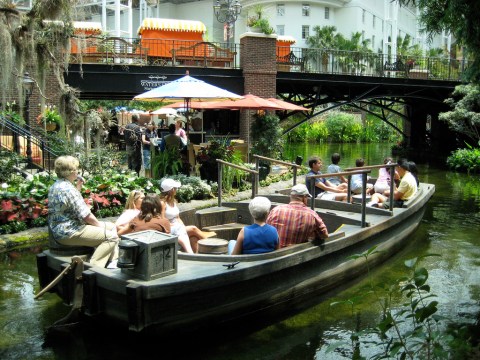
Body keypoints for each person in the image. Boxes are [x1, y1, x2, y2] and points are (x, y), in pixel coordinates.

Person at [48, 156, 119, 268]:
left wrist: (78, 187)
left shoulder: (56, 186)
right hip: (70, 231)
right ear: (71, 172)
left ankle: (112, 262)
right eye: (76, 169)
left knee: (112, 226)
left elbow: (68, 204)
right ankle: (94, 268)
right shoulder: (69, 189)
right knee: (111, 237)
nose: (77, 171)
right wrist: (99, 225)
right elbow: (86, 216)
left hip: (58, 230)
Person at [160, 178, 216, 253]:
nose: (177, 189)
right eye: (175, 188)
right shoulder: (162, 203)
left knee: (193, 238)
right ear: (172, 190)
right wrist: (172, 225)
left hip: (178, 228)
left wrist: (182, 227)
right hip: (170, 229)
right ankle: (213, 246)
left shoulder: (174, 201)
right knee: (193, 228)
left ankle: (197, 257)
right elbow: (161, 219)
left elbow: (178, 217)